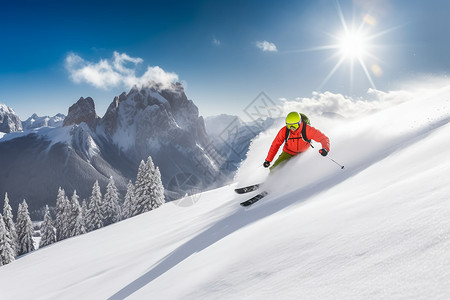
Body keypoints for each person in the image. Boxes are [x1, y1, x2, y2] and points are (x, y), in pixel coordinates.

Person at [263, 112, 330, 170]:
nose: (292, 128)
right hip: (288, 152)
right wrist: (268, 160)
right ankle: (271, 181)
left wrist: (325, 148)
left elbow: (324, 139)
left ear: (299, 122)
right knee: (275, 169)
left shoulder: (307, 130)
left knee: (300, 170)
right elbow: (275, 144)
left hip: (303, 153)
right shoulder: (284, 131)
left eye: (294, 125)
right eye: (289, 125)